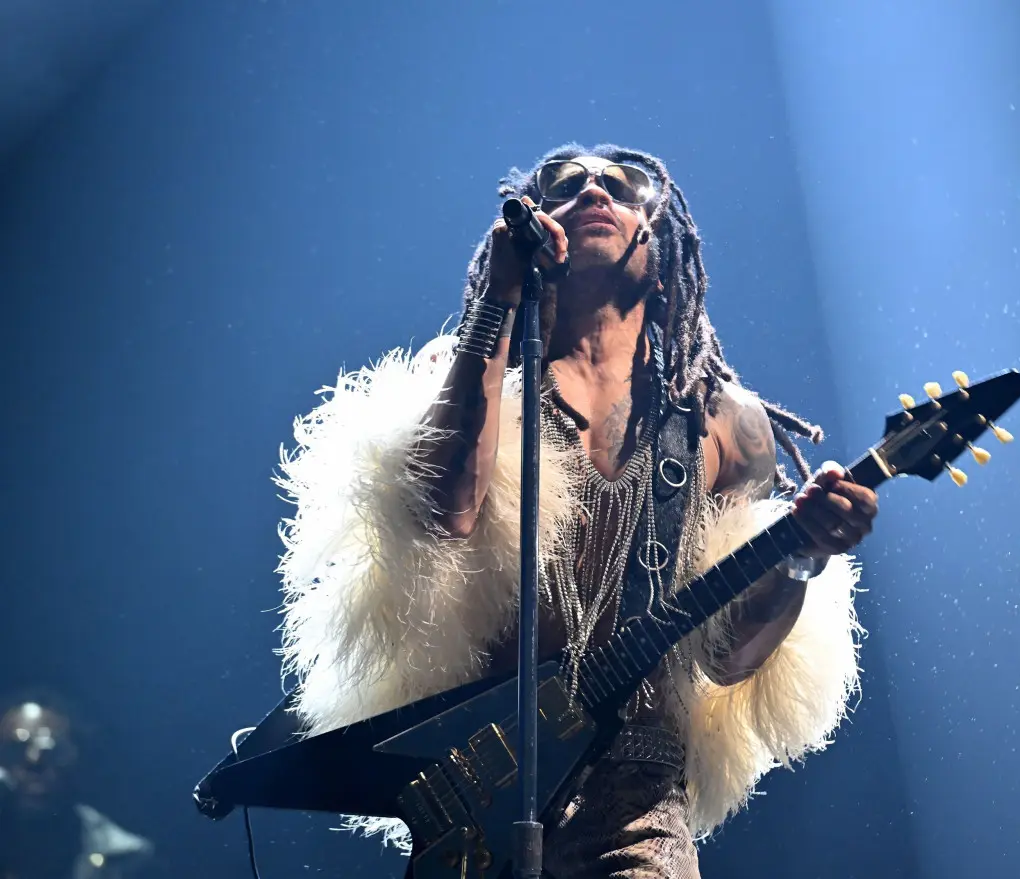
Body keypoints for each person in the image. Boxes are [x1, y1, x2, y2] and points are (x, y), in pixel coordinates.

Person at [275, 144, 877, 878]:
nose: (592, 186)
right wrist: (498, 302)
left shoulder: (726, 424)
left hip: (638, 800)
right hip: (483, 797)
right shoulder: (471, 369)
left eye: (622, 186)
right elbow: (445, 512)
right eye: (562, 185)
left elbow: (725, 660)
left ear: (663, 254)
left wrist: (801, 557)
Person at [0, 697, 153, 879]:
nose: (34, 760)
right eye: (16, 748)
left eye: (51, 750)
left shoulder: (129, 860)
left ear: (79, 757)